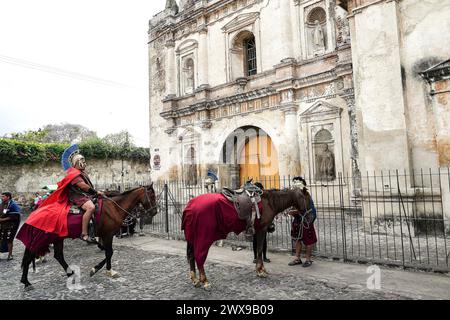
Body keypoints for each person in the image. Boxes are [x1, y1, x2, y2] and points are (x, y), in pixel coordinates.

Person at [66, 153, 103, 242]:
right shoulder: (73, 173)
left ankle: (97, 232)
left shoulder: (81, 172)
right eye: (82, 161)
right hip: (77, 196)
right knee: (91, 207)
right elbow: (83, 186)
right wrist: (95, 192)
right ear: (77, 162)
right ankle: (84, 233)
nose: (85, 163)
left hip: (85, 195)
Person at [288, 177, 317, 267]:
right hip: (297, 221)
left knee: (308, 240)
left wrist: (297, 212)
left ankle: (308, 259)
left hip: (306, 222)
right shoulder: (294, 197)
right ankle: (297, 258)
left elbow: (307, 209)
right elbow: (292, 209)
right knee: (297, 240)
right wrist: (292, 212)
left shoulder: (306, 196)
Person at [252, 182, 272, 263]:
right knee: (255, 240)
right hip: (255, 221)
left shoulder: (264, 198)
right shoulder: (252, 198)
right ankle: (255, 257)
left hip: (263, 221)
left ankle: (264, 256)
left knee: (263, 240)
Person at [0, 192, 22, 260]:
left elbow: (15, 216)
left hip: (11, 226)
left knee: (9, 240)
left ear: (8, 197)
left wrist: (2, 219)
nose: (2, 197)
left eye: (3, 196)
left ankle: (10, 255)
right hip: (2, 225)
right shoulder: (2, 204)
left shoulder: (13, 205)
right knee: (0, 239)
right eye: (2, 196)